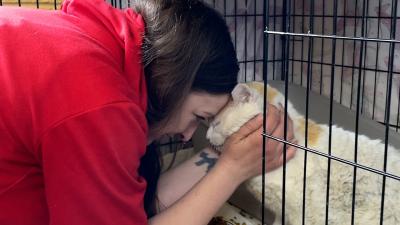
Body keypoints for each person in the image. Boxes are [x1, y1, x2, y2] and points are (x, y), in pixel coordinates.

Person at [0, 0, 296, 225]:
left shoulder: (98, 36)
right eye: (199, 116)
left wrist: (228, 157)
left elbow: (132, 202)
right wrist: (233, 170)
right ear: (177, 80)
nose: (187, 135)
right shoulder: (98, 98)